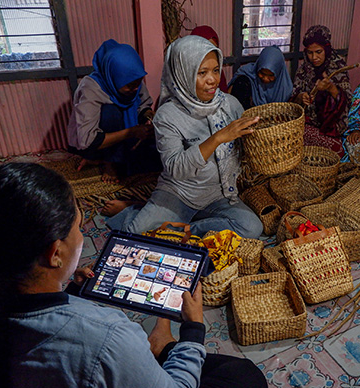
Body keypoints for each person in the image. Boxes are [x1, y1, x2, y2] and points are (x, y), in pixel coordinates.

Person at [0, 162, 268, 388]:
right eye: (79, 228)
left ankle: (162, 350)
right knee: (245, 381)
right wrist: (194, 330)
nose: (83, 235)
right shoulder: (107, 336)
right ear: (55, 253)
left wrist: (65, 288)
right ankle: (165, 347)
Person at [107, 36, 264, 239]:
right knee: (135, 235)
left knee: (252, 228)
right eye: (202, 73)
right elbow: (176, 168)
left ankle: (183, 229)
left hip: (219, 194)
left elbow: (246, 148)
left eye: (216, 70)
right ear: (183, 74)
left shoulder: (230, 105)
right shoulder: (167, 115)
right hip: (178, 194)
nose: (213, 80)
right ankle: (144, 211)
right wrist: (217, 138)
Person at [67, 39, 161, 185]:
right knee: (111, 112)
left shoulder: (133, 79)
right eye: (130, 85)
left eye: (139, 82)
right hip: (93, 144)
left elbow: (143, 105)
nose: (136, 88)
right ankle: (108, 163)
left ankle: (109, 160)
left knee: (155, 160)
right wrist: (131, 132)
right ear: (114, 77)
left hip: (125, 135)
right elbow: (88, 140)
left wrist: (150, 116)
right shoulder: (91, 89)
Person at [290, 25, 352, 157]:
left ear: (327, 49)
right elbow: (294, 99)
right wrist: (301, 98)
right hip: (309, 122)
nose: (314, 57)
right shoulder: (304, 69)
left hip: (330, 126)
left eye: (318, 52)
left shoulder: (338, 68)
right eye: (310, 53)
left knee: (334, 151)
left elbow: (346, 102)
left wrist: (331, 88)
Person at [228, 45, 292, 110]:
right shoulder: (245, 79)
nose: (265, 79)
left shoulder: (285, 88)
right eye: (262, 73)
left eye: (271, 75)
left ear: (279, 73)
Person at [190, 25, 229, 93]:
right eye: (202, 73)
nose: (212, 81)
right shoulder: (184, 75)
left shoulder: (220, 74)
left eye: (213, 49)